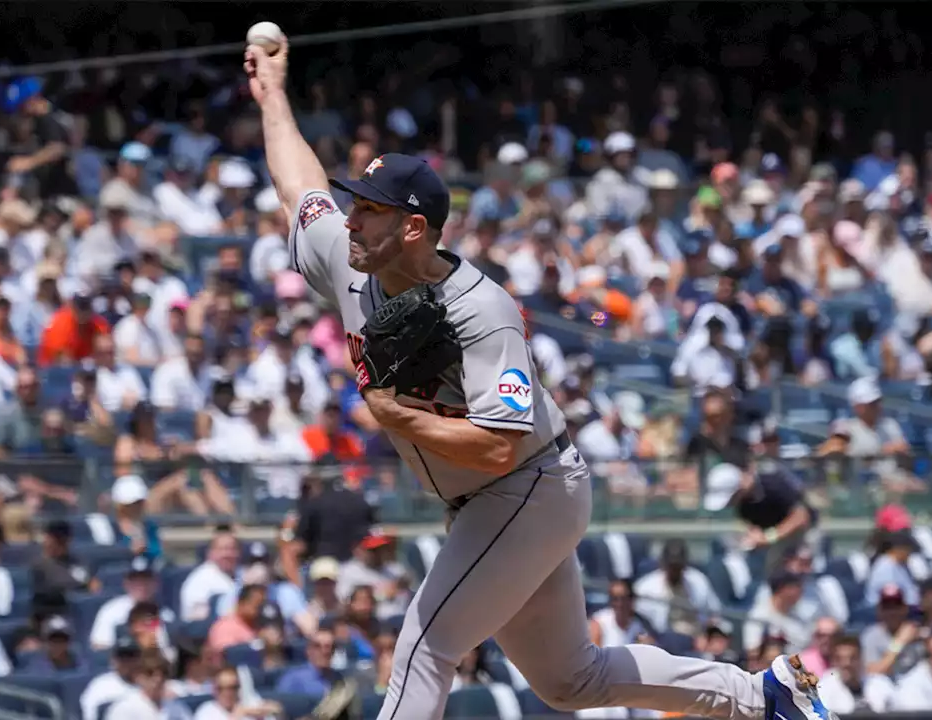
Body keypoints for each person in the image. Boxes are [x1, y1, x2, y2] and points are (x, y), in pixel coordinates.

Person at [247, 37, 832, 720]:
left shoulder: (482, 311)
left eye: (370, 208)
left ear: (412, 228)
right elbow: (300, 187)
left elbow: (497, 446)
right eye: (356, 203)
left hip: (527, 486)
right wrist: (273, 95)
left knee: (424, 646)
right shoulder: (351, 260)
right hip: (491, 498)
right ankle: (761, 696)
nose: (351, 217)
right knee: (570, 681)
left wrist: (397, 416)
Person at [80, 635, 141, 720]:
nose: (127, 661)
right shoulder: (100, 686)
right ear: (113, 660)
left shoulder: (149, 684)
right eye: (122, 656)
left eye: (131, 656)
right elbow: (90, 716)